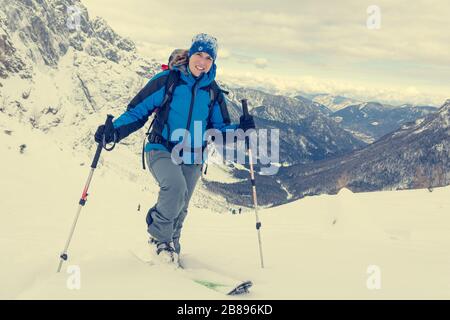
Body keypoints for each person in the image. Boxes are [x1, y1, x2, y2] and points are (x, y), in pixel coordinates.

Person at [94, 33, 256, 266]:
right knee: (175, 187)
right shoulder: (168, 80)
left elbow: (218, 131)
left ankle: (172, 249)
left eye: (209, 57)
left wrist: (241, 129)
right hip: (161, 147)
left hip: (194, 155)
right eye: (199, 54)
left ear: (214, 62)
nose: (202, 61)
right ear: (190, 54)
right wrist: (114, 131)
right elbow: (137, 112)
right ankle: (159, 240)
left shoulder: (212, 92)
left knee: (182, 205)